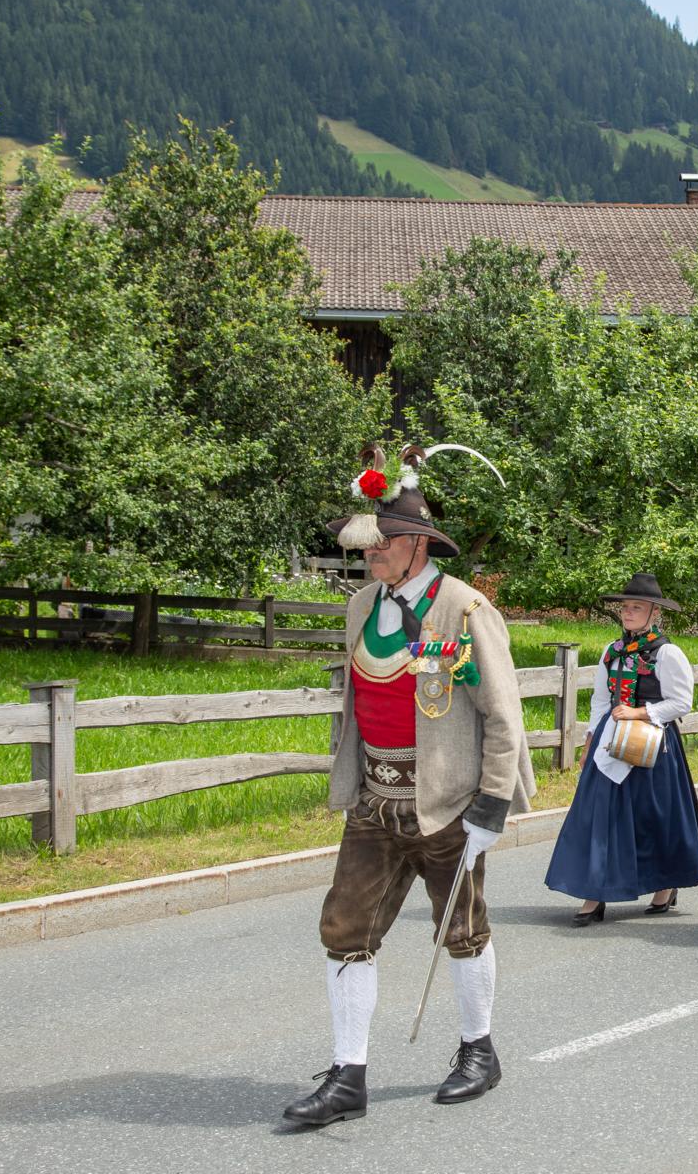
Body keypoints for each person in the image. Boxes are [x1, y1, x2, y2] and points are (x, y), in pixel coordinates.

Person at [286, 443, 535, 1127]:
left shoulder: (465, 610)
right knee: (344, 928)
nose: (370, 554)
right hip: (375, 798)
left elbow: (503, 715)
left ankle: (478, 1051)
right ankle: (347, 1077)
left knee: (462, 928)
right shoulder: (362, 603)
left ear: (416, 545)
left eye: (382, 544)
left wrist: (492, 802)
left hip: (448, 802)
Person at [544, 574, 698, 924]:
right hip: (610, 743)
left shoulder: (667, 653)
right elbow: (600, 698)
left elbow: (681, 702)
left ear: (654, 613)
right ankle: (594, 893)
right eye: (625, 607)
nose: (628, 612)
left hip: (652, 745)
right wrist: (591, 736)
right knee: (599, 816)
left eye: (636, 607)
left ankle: (664, 886)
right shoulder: (612, 651)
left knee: (654, 818)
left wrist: (641, 712)